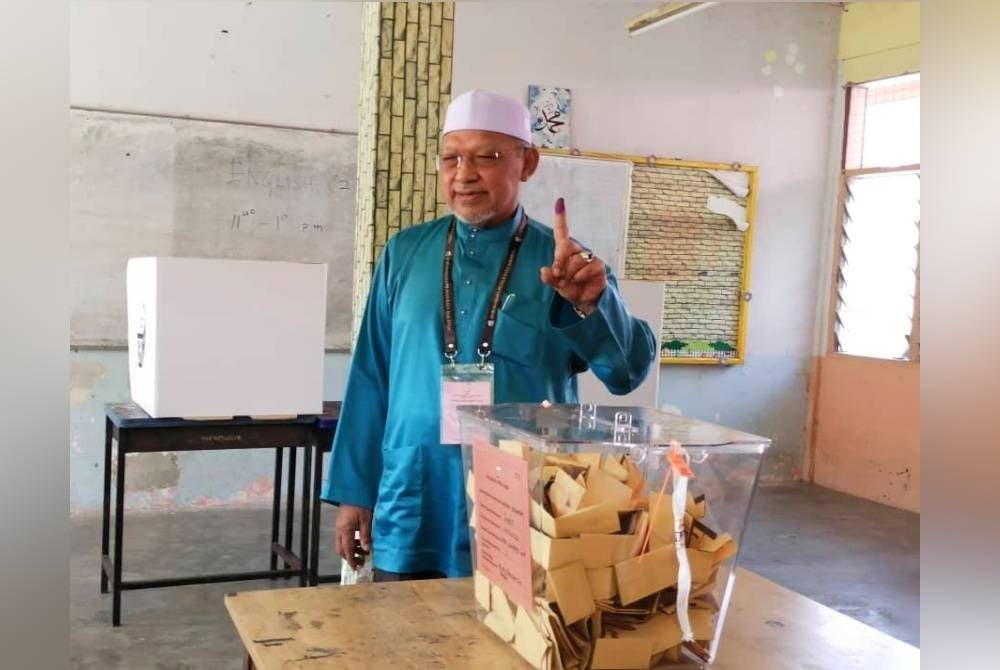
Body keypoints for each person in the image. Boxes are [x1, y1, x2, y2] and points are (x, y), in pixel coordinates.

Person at [321, 89, 656, 581]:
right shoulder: (405, 254)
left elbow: (626, 373)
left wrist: (592, 303)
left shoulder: (567, 263)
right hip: (413, 490)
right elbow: (370, 376)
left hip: (522, 496)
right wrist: (355, 490)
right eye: (451, 158)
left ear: (528, 163)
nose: (464, 174)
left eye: (488, 157)